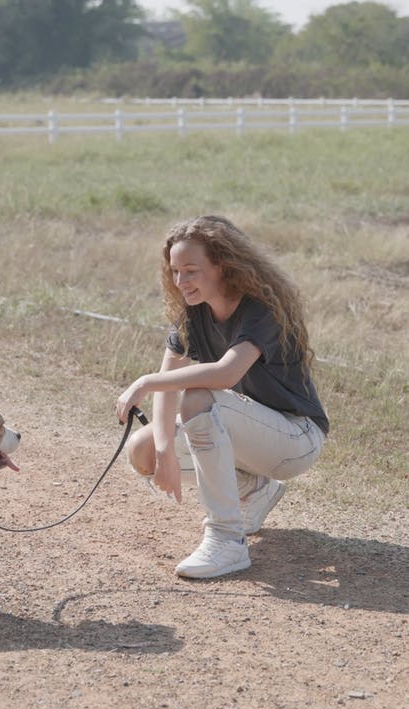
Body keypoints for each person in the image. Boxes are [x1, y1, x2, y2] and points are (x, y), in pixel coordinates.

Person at [116, 215, 329, 579]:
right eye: (176, 271)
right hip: (250, 436)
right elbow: (168, 385)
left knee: (199, 398)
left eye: (191, 270)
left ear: (222, 265)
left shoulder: (260, 309)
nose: (181, 281)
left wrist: (147, 381)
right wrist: (165, 450)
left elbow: (226, 373)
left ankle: (227, 541)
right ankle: (253, 490)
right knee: (143, 450)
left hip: (297, 439)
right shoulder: (192, 314)